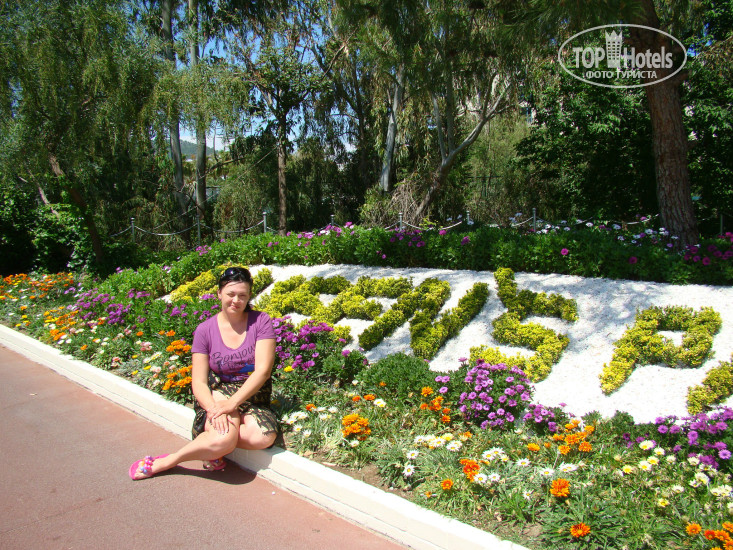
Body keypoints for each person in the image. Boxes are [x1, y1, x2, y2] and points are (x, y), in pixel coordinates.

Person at [129, 266, 278, 480]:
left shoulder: (260, 321)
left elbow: (262, 371)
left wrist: (233, 404)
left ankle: (216, 444)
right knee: (223, 438)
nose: (236, 300)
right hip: (220, 392)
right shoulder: (205, 330)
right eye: (231, 294)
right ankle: (170, 460)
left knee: (263, 437)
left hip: (253, 394)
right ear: (219, 293)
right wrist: (214, 408)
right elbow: (198, 382)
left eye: (242, 296)